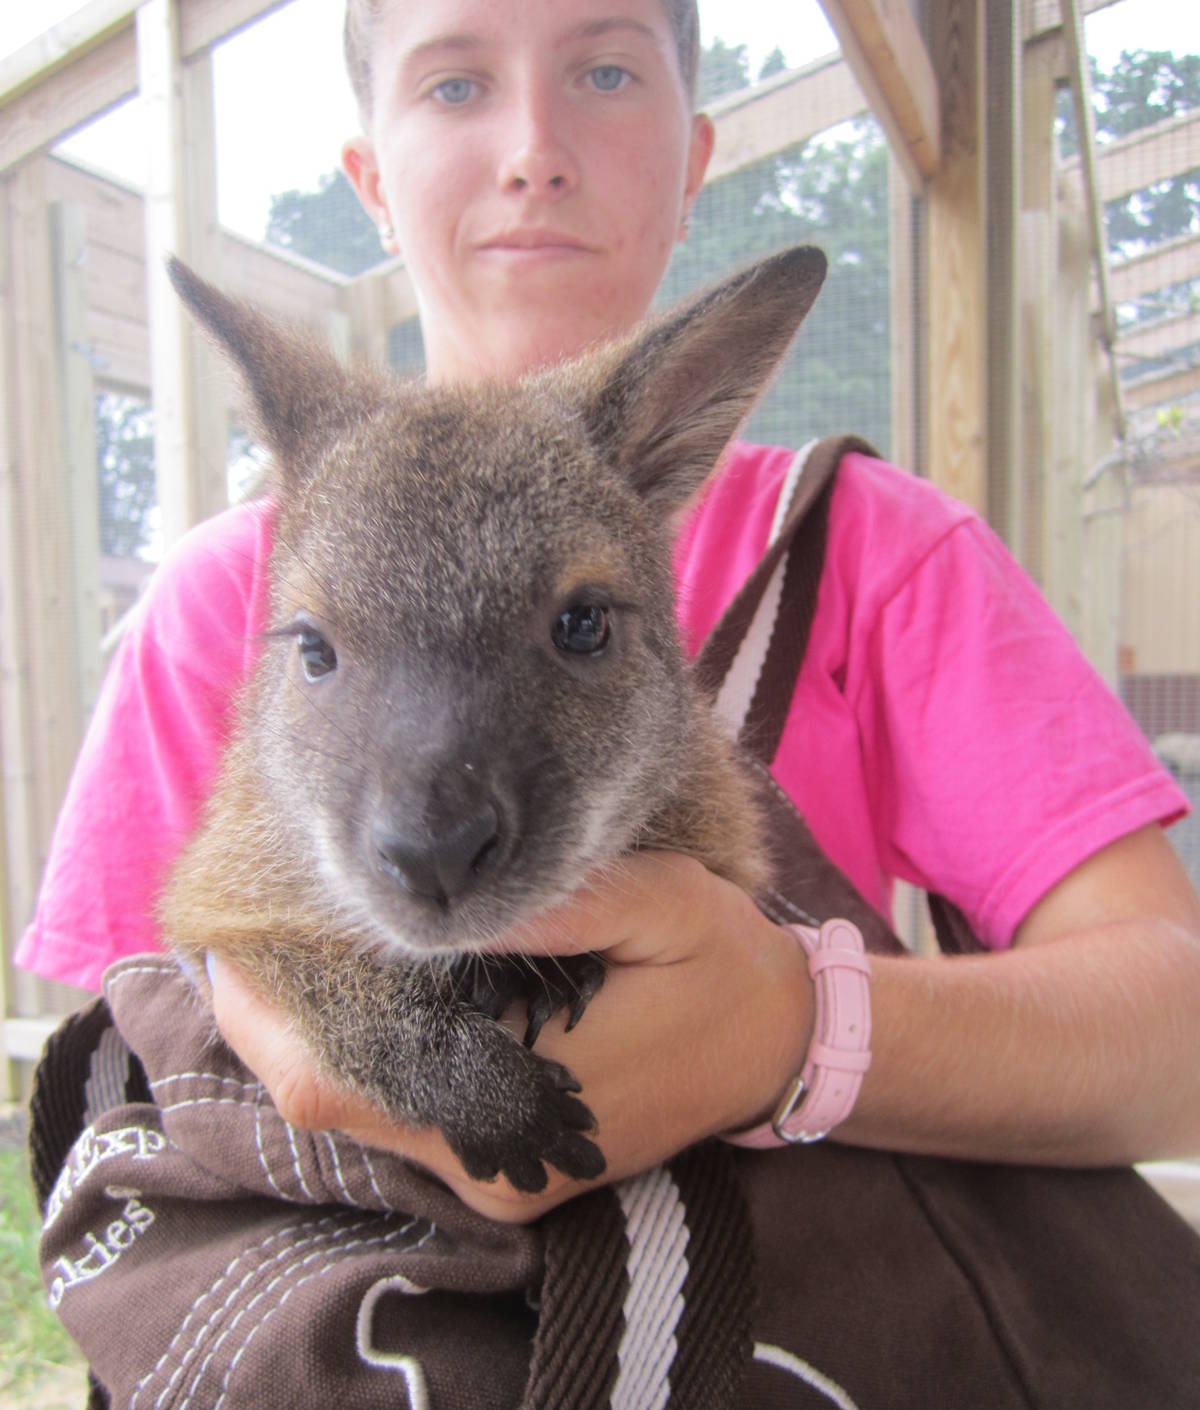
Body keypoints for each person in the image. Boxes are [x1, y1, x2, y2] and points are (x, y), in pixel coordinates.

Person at [18, 0, 1200, 1227]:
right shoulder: (218, 602)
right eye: (456, 85)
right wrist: (377, 1041)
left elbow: (1177, 1041)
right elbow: (145, 1040)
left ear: (695, 165)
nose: (534, 150)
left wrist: (790, 1026)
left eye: (604, 71)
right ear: (369, 179)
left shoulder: (880, 552)